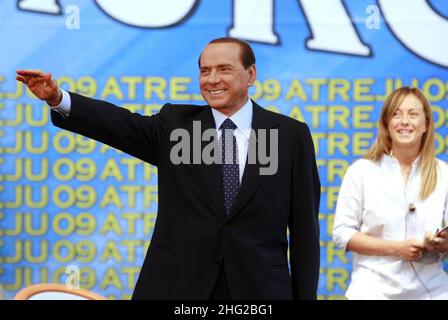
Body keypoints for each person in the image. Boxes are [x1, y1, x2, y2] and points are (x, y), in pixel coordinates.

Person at [16, 37, 320, 300]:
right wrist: (58, 99)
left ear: (251, 74)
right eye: (204, 71)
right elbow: (119, 124)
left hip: (259, 291)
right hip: (178, 286)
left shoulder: (290, 136)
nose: (212, 80)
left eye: (224, 69)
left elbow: (305, 230)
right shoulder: (177, 126)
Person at [333, 87, 448, 300]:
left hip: (433, 293)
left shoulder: (444, 173)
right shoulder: (361, 171)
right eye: (396, 114)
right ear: (387, 124)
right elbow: (342, 234)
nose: (404, 121)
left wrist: (442, 243)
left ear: (426, 124)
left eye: (413, 114)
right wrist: (396, 249)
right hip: (371, 292)